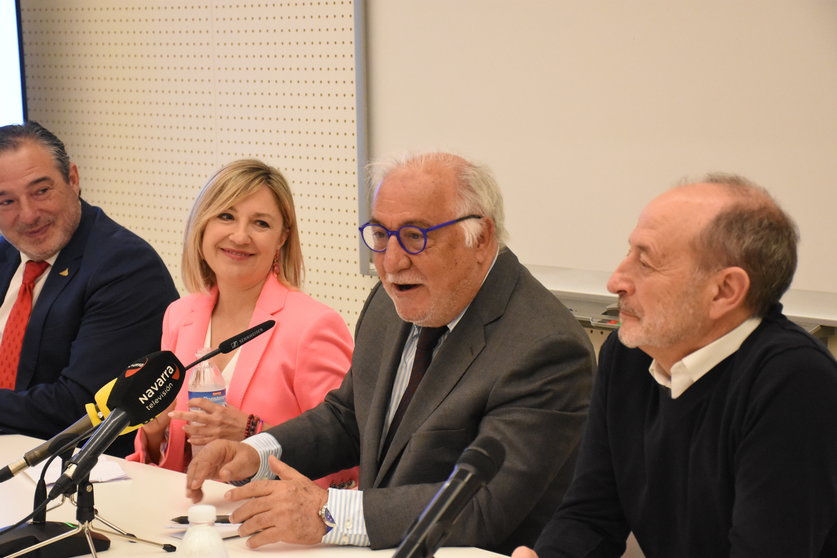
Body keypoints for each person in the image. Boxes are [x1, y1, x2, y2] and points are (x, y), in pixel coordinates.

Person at [184, 151, 596, 554]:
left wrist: (328, 513)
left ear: (481, 238)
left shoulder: (545, 347)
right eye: (381, 235)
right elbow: (349, 417)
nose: (392, 262)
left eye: (416, 237)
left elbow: (483, 506)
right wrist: (256, 452)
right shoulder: (390, 300)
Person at [514, 175, 837, 558]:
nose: (616, 280)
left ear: (724, 291)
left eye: (645, 262)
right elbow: (590, 514)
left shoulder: (795, 382)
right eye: (628, 253)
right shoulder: (632, 354)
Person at [128, 159, 356, 489]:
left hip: (271, 527)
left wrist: (254, 434)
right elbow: (173, 460)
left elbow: (347, 462)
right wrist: (153, 432)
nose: (240, 235)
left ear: (281, 238)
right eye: (226, 216)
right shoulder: (179, 315)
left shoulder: (314, 326)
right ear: (202, 226)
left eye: (260, 223)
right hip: (188, 520)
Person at [0, 121, 178, 456]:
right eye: (6, 201)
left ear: (73, 179)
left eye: (41, 191)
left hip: (76, 473)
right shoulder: (6, 254)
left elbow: (78, 408)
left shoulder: (126, 266)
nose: (28, 215)